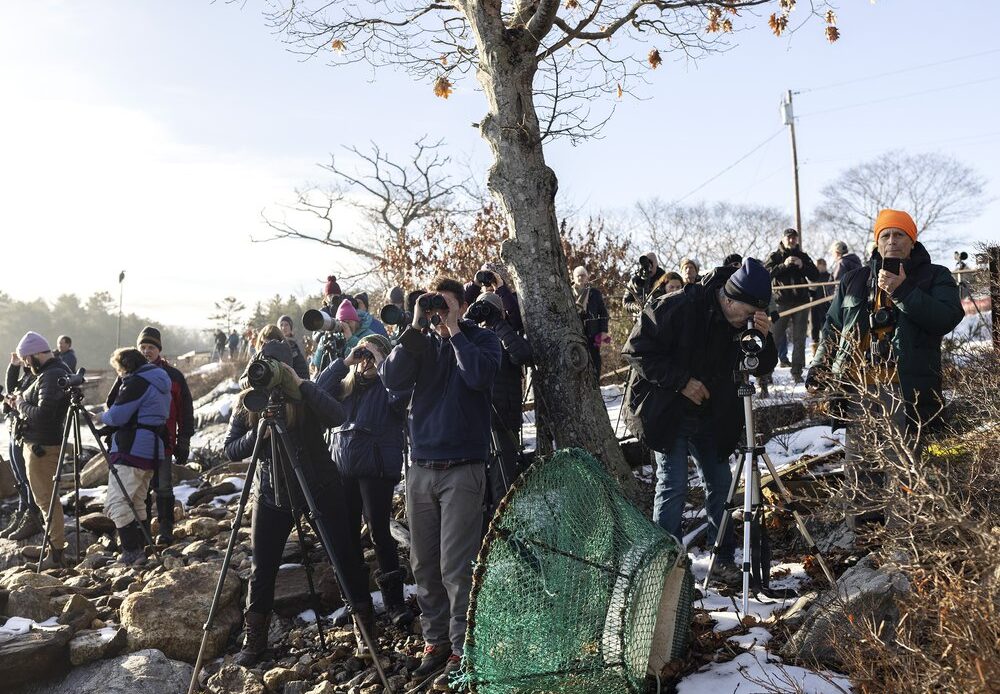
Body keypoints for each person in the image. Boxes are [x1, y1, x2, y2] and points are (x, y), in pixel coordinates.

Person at [623, 259, 777, 585]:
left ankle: (722, 559)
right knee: (673, 485)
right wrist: (682, 381)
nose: (748, 322)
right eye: (747, 314)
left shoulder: (746, 322)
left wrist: (763, 336)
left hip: (713, 415)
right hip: (666, 410)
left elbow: (762, 365)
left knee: (721, 485)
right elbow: (636, 350)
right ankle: (668, 571)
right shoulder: (679, 305)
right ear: (729, 299)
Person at [380, 277, 502, 689]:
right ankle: (434, 642)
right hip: (421, 468)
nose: (439, 312)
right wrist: (415, 327)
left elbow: (479, 377)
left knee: (455, 564)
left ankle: (460, 646)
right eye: (434, 306)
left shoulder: (482, 341)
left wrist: (454, 333)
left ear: (463, 306)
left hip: (464, 468)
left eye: (447, 305)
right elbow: (391, 379)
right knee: (424, 565)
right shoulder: (420, 343)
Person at [807, 210, 963, 527]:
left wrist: (903, 291)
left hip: (906, 390)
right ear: (877, 243)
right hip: (859, 389)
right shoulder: (854, 279)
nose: (892, 241)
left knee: (903, 468)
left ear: (912, 240)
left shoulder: (936, 276)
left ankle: (901, 545)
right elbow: (832, 328)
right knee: (860, 470)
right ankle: (863, 546)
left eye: (899, 235)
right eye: (885, 235)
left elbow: (946, 318)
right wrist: (820, 366)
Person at [225, 339, 375, 665]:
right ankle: (255, 641)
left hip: (319, 487)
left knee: (344, 557)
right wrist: (259, 434)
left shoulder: (305, 394)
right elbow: (231, 449)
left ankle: (365, 632)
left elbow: (337, 415)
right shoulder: (249, 401)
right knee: (262, 568)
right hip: (273, 492)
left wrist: (302, 385)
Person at [317, 334, 414, 627]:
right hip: (343, 466)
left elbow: (402, 403)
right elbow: (318, 391)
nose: (367, 362)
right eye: (365, 356)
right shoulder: (346, 388)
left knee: (380, 534)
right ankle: (357, 602)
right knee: (346, 537)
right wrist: (346, 361)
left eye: (373, 355)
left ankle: (394, 602)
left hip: (376, 468)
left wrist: (385, 364)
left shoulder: (390, 386)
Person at [106, 326, 195, 546]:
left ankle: (165, 531)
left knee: (163, 487)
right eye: (143, 347)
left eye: (151, 347)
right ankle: (144, 536)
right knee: (140, 492)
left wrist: (184, 440)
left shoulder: (173, 376)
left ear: (159, 349)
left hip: (163, 441)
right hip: (137, 442)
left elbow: (186, 410)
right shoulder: (127, 374)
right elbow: (113, 403)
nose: (147, 351)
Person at [97, 348, 171, 564]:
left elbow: (117, 415)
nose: (120, 375)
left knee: (117, 502)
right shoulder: (159, 379)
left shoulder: (137, 382)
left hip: (132, 448)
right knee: (137, 500)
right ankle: (142, 550)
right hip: (152, 448)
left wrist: (101, 416)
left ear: (126, 366)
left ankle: (131, 551)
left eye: (119, 370)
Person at [464, 290, 533, 515]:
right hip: (476, 422)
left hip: (503, 420)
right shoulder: (470, 336)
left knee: (502, 485)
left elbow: (522, 355)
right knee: (477, 486)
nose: (485, 315)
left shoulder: (507, 335)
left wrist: (499, 323)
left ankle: (502, 535)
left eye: (490, 310)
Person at [9, 332, 71, 568]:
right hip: (38, 444)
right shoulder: (48, 373)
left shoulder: (52, 374)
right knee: (43, 497)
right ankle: (51, 544)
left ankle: (55, 554)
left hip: (43, 446)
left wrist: (20, 404)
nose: (25, 364)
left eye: (26, 359)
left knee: (46, 499)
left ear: (35, 354)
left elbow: (45, 415)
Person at [765, 228, 819, 383]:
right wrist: (783, 265)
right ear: (783, 239)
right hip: (781, 303)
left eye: (794, 238)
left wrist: (802, 265)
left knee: (800, 339)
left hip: (801, 302)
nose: (792, 240)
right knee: (774, 338)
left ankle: (797, 372)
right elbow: (765, 274)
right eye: (789, 238)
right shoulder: (775, 256)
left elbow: (815, 275)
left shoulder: (803, 256)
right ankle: (766, 374)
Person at [1, 352, 42, 541]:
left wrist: (15, 401)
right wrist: (13, 366)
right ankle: (21, 513)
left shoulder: (37, 376)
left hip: (26, 433)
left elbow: (22, 400)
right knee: (18, 477)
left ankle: (32, 517)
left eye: (25, 357)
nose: (23, 361)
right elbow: (11, 391)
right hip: (14, 429)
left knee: (26, 478)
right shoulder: (26, 375)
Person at [571, 266, 609, 382]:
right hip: (575, 333)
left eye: (583, 275)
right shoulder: (568, 293)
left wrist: (603, 332)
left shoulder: (595, 293)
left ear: (587, 278)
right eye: (578, 275)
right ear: (574, 278)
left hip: (593, 333)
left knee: (595, 361)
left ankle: (595, 385)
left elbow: (603, 314)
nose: (581, 278)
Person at [810, 258, 834, 358]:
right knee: (815, 329)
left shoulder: (829, 276)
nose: (820, 267)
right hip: (815, 306)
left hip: (826, 306)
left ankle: (827, 355)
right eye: (818, 265)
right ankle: (815, 355)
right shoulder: (814, 278)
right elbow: (811, 292)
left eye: (822, 265)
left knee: (826, 329)